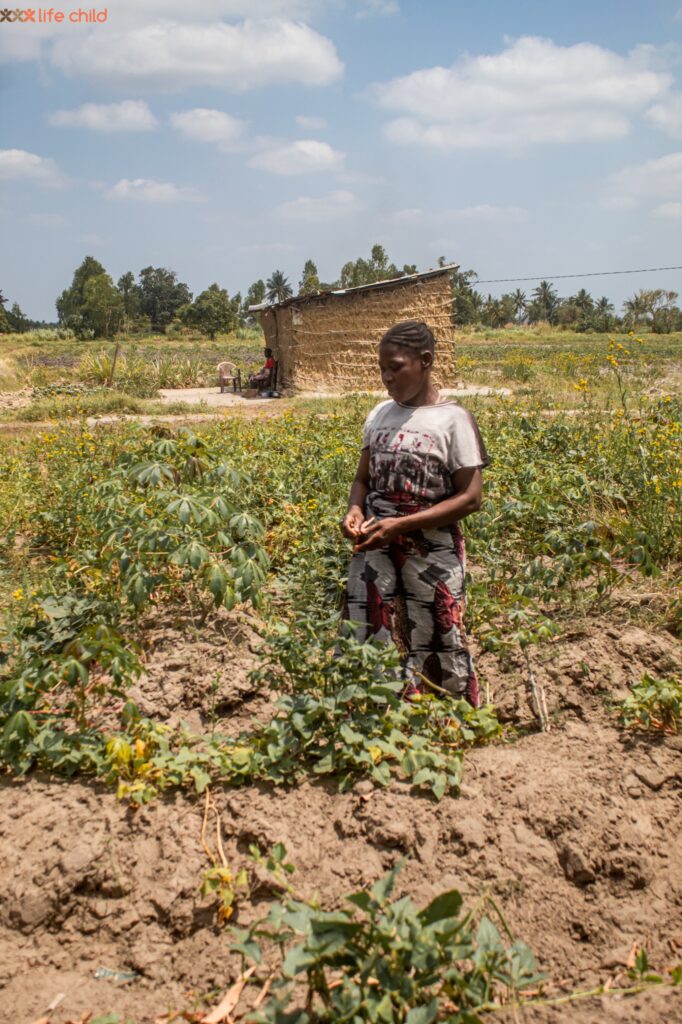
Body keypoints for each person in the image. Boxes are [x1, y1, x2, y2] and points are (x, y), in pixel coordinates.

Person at [341, 320, 489, 705]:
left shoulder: (453, 420)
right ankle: (375, 711)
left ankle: (451, 716)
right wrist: (355, 509)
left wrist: (401, 524)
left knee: (439, 629)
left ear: (425, 361)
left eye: (395, 367)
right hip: (376, 542)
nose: (386, 377)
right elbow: (362, 479)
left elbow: (471, 498)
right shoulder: (379, 414)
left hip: (430, 549)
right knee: (369, 624)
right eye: (382, 369)